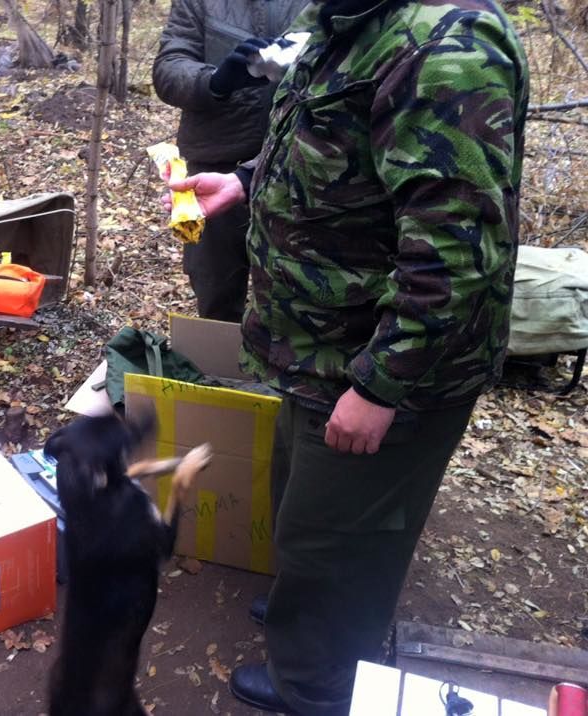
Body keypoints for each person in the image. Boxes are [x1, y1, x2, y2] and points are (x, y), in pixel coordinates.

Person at [167, 0, 529, 712]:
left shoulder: (446, 44)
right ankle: (315, 621)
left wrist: (380, 388)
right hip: (316, 350)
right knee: (310, 521)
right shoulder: (344, 20)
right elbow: (334, 139)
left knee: (339, 542)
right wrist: (246, 179)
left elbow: (455, 256)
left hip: (377, 366)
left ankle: (319, 686)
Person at [152, 0, 307, 322]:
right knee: (215, 286)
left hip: (303, 163)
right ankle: (219, 364)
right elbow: (168, 68)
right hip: (216, 161)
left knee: (298, 290)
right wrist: (215, 81)